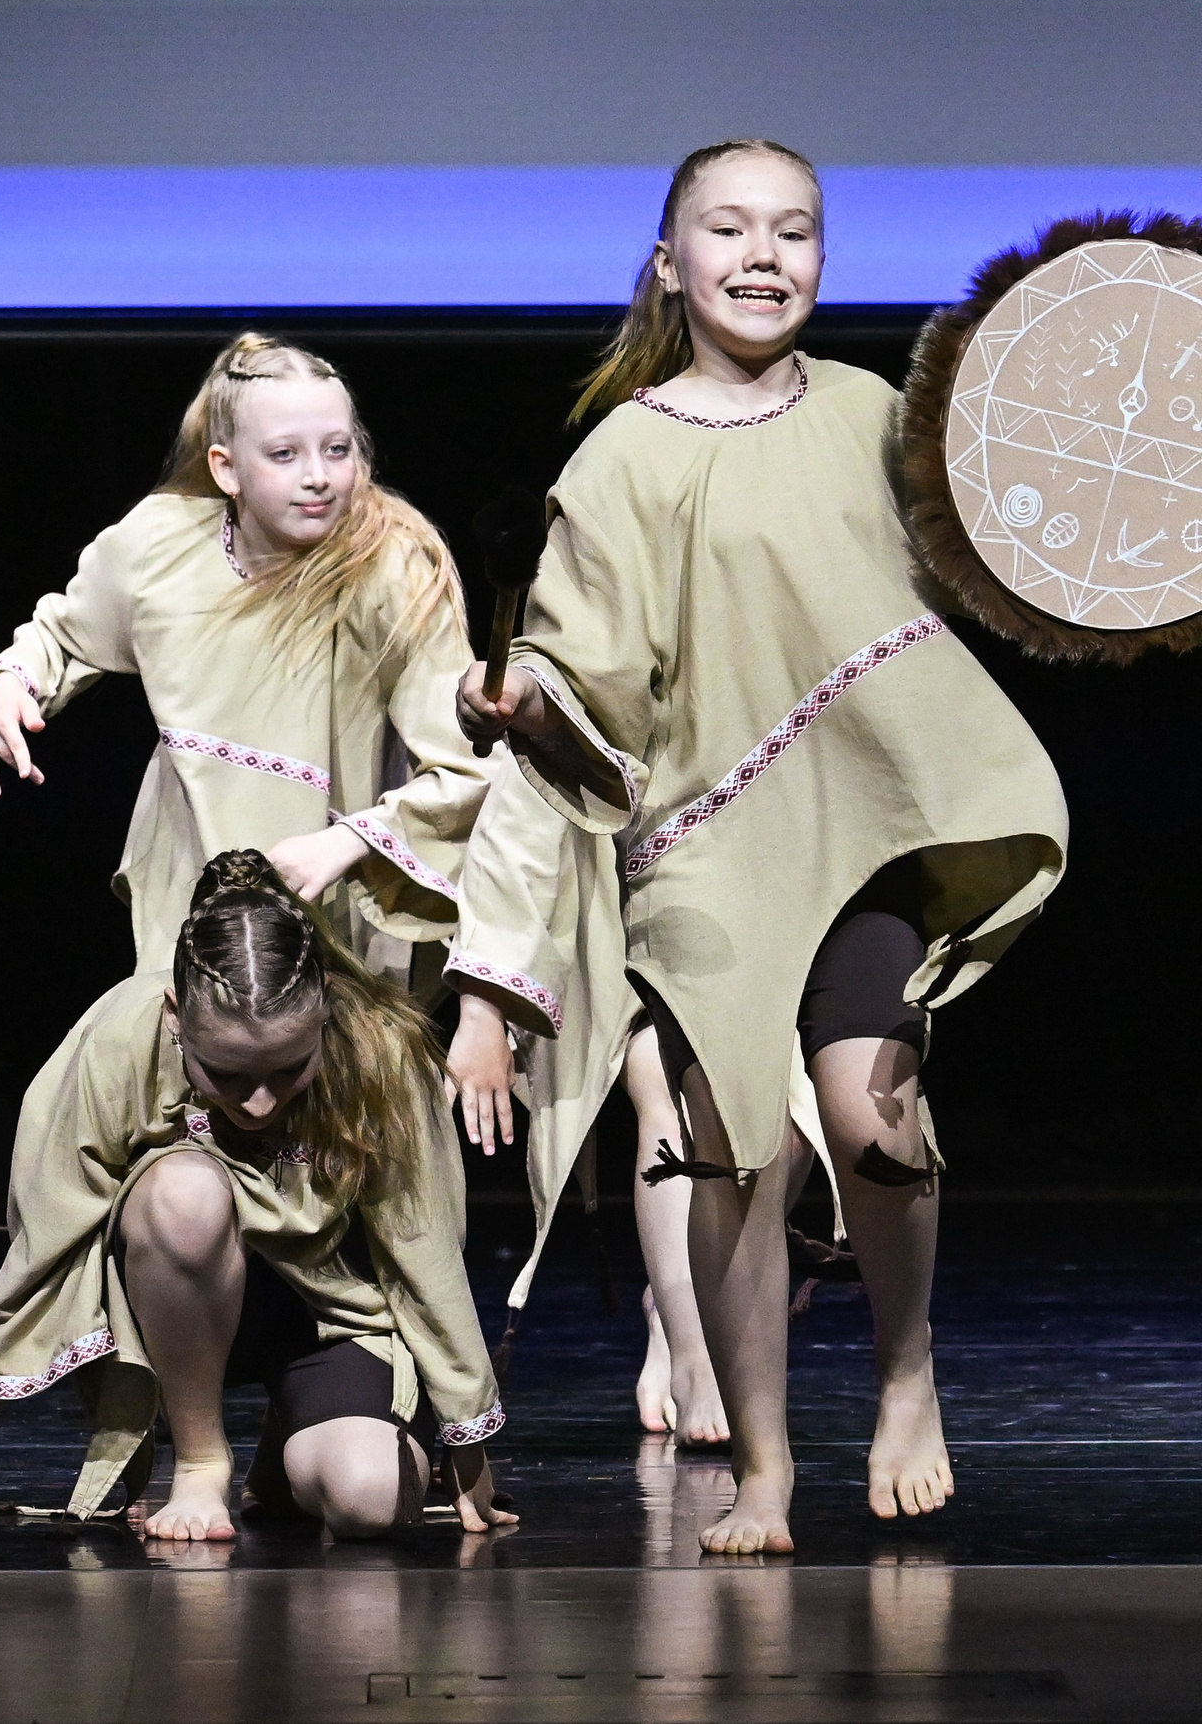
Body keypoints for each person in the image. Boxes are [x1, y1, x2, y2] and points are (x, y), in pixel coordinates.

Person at [455, 138, 1068, 1554]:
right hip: (711, 846)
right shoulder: (624, 454)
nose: (762, 254)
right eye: (726, 228)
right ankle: (769, 1467)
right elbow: (585, 693)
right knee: (728, 1150)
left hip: (868, 825)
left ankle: (907, 1370)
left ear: (826, 258)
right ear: (669, 261)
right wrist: (519, 708)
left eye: (794, 229)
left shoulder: (876, 414)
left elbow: (1005, 554)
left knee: (870, 1113)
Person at [0, 850, 515, 1543]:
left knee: (369, 1498)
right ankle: (199, 1460)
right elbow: (44, 1243)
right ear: (174, 1015)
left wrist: (469, 1440)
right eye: (225, 1072)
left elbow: (426, 1247)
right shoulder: (118, 1039)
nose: (258, 1101)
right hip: (174, 1314)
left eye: (289, 1069)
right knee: (185, 1193)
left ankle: (291, 1450)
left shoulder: (379, 1051)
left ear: (325, 1013)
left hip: (332, 1313)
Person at [0, 333, 494, 997]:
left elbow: (468, 771)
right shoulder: (160, 544)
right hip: (191, 899)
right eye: (284, 455)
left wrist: (352, 841)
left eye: (337, 448)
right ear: (225, 467)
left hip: (333, 916)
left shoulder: (393, 567)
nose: (318, 475)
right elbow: (64, 633)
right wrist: (14, 682)